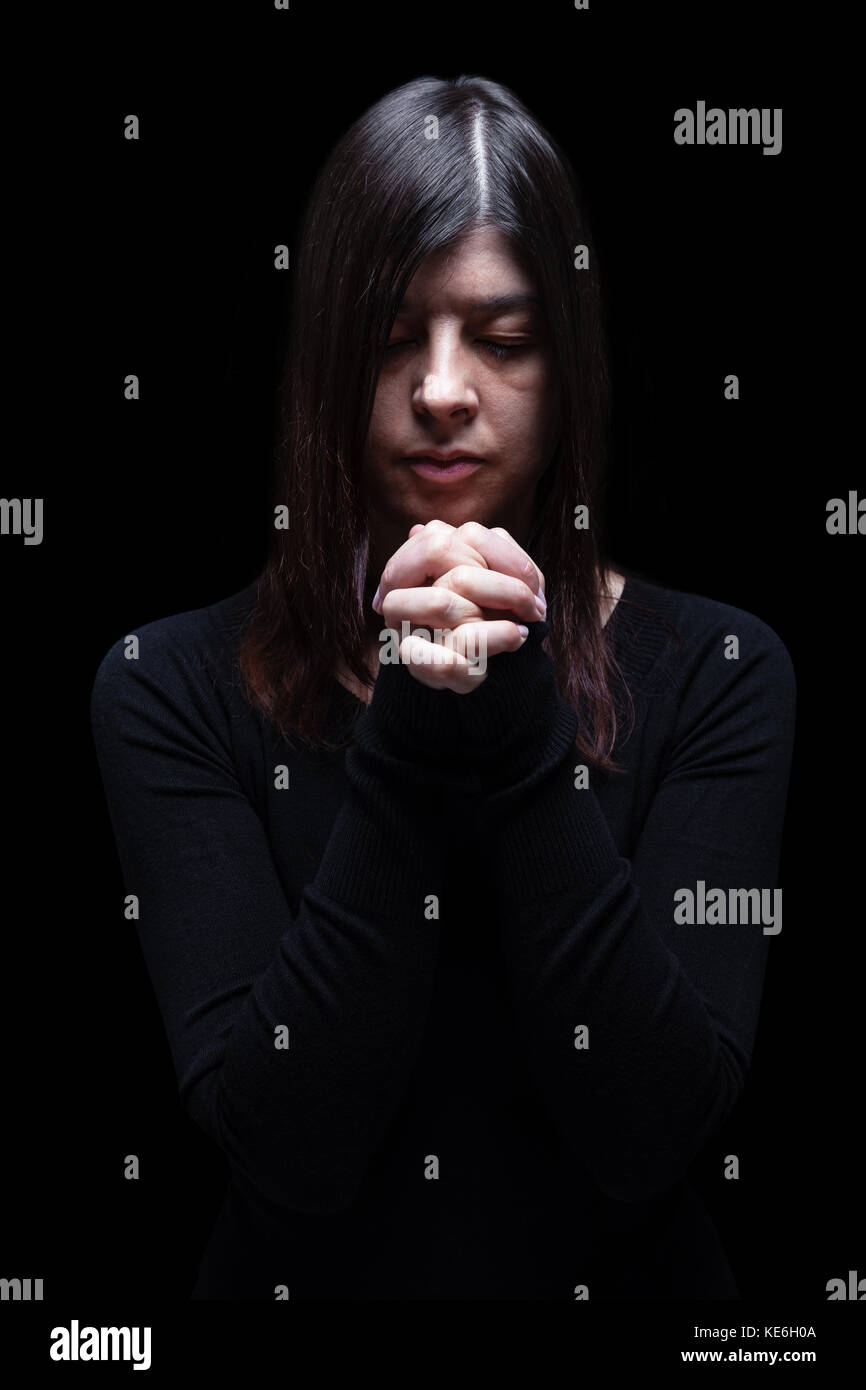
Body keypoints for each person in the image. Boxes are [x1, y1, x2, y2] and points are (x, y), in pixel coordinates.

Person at [89, 75, 796, 1300]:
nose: (442, 389)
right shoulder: (170, 688)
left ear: (569, 367)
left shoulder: (721, 674)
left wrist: (513, 719)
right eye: (390, 337)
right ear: (321, 362)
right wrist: (413, 731)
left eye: (502, 340)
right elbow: (291, 1147)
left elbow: (652, 1130)